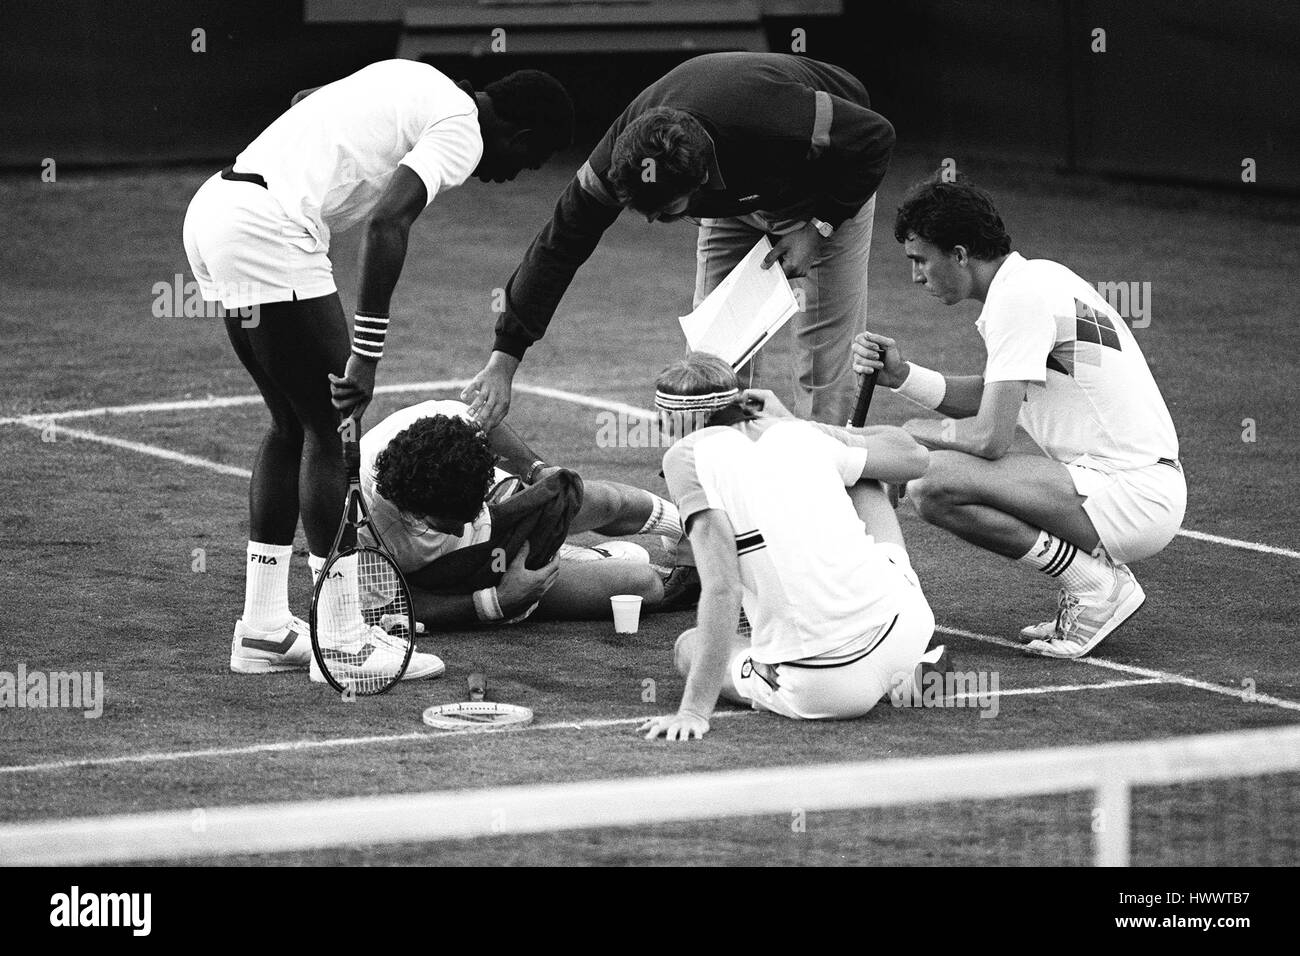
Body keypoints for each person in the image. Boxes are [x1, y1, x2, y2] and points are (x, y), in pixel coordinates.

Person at [183, 59, 574, 679]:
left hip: (214, 212)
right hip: (268, 228)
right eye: (524, 161)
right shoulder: (463, 126)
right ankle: (341, 637)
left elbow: (305, 94)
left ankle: (262, 630)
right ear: (520, 135)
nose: (508, 175)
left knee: (292, 426)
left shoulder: (412, 79)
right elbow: (388, 222)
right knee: (333, 432)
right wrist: (364, 354)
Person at [461, 52, 896, 432]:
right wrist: (505, 357)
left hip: (827, 188)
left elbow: (875, 137)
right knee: (712, 360)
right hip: (737, 197)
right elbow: (558, 247)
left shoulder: (771, 115)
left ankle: (826, 495)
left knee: (825, 366)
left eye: (666, 211)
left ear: (701, 179)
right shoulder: (621, 158)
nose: (654, 221)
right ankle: (722, 491)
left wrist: (820, 226)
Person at [852, 178, 1185, 659]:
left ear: (961, 254)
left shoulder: (1018, 299)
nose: (917, 276)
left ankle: (1095, 587)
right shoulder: (1035, 279)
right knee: (929, 475)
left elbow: (990, 438)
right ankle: (1095, 585)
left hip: (1131, 495)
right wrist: (903, 376)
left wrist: (905, 438)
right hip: (1130, 487)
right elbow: (1000, 394)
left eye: (921, 260)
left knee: (929, 482)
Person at [640, 354, 937, 742]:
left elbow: (722, 588)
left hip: (827, 687)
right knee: (862, 475)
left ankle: (873, 681)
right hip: (909, 626)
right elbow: (915, 456)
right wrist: (801, 425)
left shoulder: (684, 456)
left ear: (667, 422)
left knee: (688, 647)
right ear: (741, 402)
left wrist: (693, 710)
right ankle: (902, 677)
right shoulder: (797, 433)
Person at [361, 400, 681, 625]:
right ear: (412, 508)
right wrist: (496, 603)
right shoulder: (360, 523)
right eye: (448, 525)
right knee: (644, 586)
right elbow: (390, 608)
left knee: (594, 498)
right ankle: (583, 556)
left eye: (469, 517)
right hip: (456, 580)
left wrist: (536, 469)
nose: (461, 531)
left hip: (500, 520)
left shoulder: (445, 423)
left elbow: (488, 424)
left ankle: (690, 528)